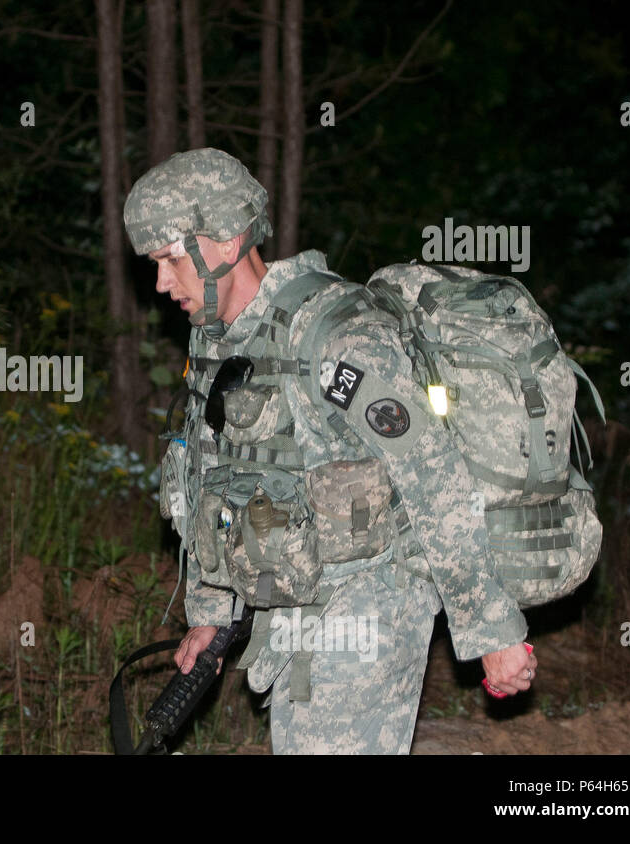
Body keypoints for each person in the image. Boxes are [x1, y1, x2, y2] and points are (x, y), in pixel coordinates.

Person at [123, 147, 539, 754]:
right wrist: (210, 612)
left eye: (168, 259)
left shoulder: (335, 335)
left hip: (372, 600)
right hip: (298, 602)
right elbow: (214, 478)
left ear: (228, 238)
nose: (160, 283)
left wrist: (489, 628)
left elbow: (431, 475)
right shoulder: (216, 341)